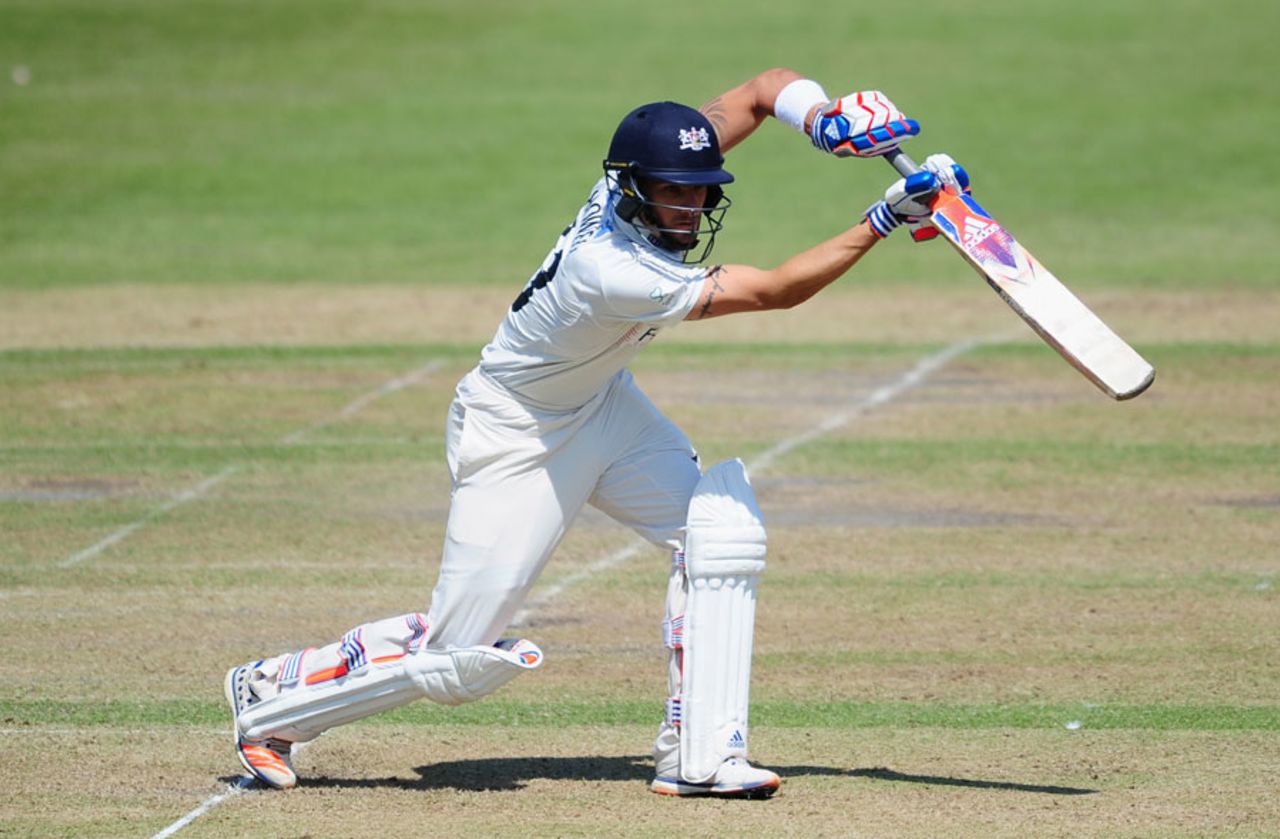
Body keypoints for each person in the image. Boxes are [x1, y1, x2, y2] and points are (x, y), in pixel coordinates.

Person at [224, 68, 968, 799]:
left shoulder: (638, 180)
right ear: (636, 187)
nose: (691, 205)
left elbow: (763, 89)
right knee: (462, 659)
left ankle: (699, 754)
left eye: (701, 188)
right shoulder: (610, 269)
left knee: (716, 536)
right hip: (515, 431)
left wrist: (825, 121)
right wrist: (884, 217)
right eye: (674, 191)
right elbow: (777, 291)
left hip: (604, 407)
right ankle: (273, 695)